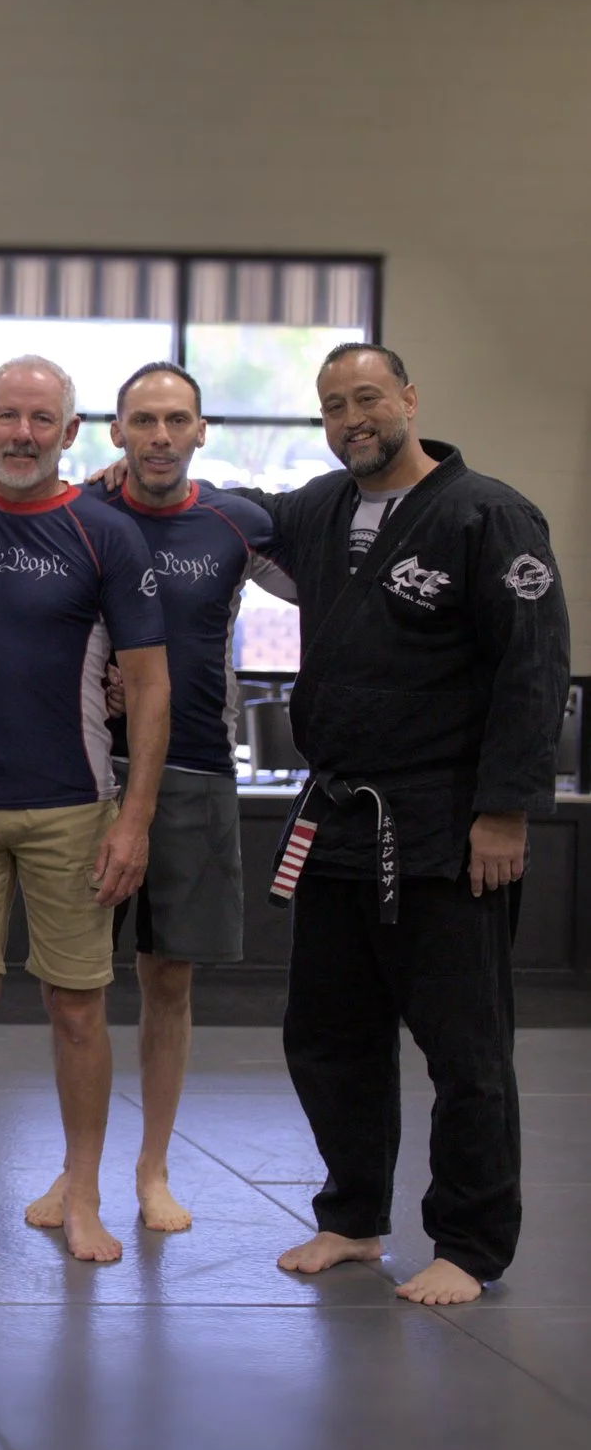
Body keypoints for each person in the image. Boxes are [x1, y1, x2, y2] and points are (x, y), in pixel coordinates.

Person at [246, 345, 567, 1305]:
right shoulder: (322, 510)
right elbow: (231, 508)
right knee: (329, 1034)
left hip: (448, 822)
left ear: (411, 400)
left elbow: (533, 671)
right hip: (342, 813)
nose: (353, 418)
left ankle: (469, 1243)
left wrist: (505, 813)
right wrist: (135, 473)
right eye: (334, 405)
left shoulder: (489, 514)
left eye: (369, 398)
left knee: (465, 1047)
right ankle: (351, 1218)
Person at [0, 354, 169, 1266]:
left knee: (77, 1009)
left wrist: (133, 819)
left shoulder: (105, 535)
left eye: (39, 419)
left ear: (70, 433)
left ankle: (83, 1193)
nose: (20, 433)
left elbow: (149, 686)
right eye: (5, 416)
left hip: (70, 806)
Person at [12, 362, 287, 1237]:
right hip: (83, 775)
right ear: (115, 432)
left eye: (176, 420)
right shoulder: (85, 515)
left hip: (197, 772)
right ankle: (75, 1169)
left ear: (201, 430)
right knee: (74, 988)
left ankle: (153, 1170)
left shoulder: (236, 522)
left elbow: (338, 585)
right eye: (143, 421)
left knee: (168, 981)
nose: (160, 436)